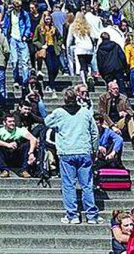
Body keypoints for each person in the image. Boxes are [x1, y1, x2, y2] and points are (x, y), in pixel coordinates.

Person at [45, 88, 100, 225]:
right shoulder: (85, 112)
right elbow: (94, 133)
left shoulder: (59, 112)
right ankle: (91, 215)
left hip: (66, 152)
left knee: (68, 185)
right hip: (84, 151)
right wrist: (94, 150)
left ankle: (72, 215)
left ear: (64, 99)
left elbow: (47, 122)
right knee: (87, 185)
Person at [0, 112, 38, 178]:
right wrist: (7, 144)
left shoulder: (20, 130)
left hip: (18, 155)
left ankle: (24, 170)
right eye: (9, 121)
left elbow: (33, 139)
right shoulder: (0, 131)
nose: (12, 123)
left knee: (27, 144)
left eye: (13, 121)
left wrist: (31, 153)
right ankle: (4, 170)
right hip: (6, 156)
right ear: (4, 123)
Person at [97, 79, 134, 152]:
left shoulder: (123, 98)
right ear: (109, 90)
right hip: (108, 122)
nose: (116, 90)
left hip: (119, 122)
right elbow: (102, 113)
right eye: (114, 89)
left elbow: (131, 111)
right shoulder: (103, 97)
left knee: (129, 118)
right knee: (101, 121)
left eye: (117, 88)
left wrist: (126, 113)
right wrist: (112, 126)